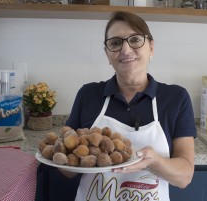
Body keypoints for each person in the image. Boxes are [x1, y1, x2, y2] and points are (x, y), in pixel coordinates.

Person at [64, 11, 197, 201]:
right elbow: (68, 171)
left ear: (151, 47)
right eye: (115, 43)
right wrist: (57, 151)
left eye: (135, 40)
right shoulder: (88, 94)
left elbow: (184, 177)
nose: (125, 50)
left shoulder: (176, 98)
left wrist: (154, 161)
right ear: (108, 54)